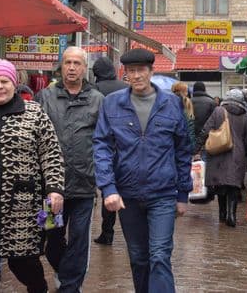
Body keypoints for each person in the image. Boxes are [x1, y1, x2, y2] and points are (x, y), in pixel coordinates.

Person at [0, 59, 65, 293]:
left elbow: (51, 154)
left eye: (4, 81)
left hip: (24, 207)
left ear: (14, 83)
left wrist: (54, 190)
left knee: (25, 263)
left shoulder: (34, 114)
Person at [93, 48, 192, 293]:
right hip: (127, 194)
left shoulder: (171, 104)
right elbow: (102, 146)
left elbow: (182, 150)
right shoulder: (112, 103)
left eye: (141, 71)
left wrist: (182, 195)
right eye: (131, 71)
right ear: (125, 74)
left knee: (159, 255)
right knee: (138, 258)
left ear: (151, 71)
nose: (136, 76)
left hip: (163, 194)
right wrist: (108, 188)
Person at [36, 48, 103, 293]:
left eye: (77, 63)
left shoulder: (97, 99)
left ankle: (70, 287)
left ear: (85, 68)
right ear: (61, 66)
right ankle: (65, 273)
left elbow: (104, 139)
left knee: (78, 240)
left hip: (84, 186)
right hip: (52, 187)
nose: (72, 67)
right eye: (67, 63)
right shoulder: (45, 96)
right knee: (50, 238)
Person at [196, 89, 247, 227]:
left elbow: (206, 130)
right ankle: (232, 214)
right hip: (237, 154)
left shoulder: (218, 111)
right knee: (233, 185)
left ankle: (222, 214)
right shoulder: (245, 116)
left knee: (220, 184)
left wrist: (196, 147)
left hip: (218, 152)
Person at [89, 56, 128, 246]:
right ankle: (131, 232)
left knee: (108, 188)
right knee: (127, 188)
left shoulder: (95, 90)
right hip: (126, 146)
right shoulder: (125, 87)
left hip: (104, 146)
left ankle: (107, 232)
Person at [171, 83, 196, 151]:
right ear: (183, 91)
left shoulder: (167, 102)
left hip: (170, 145)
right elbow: (190, 129)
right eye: (186, 91)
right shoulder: (187, 102)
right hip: (183, 146)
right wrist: (193, 148)